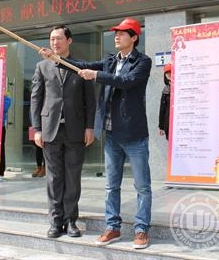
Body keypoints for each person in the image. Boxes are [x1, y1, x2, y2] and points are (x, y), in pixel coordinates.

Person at [40, 17, 152, 250]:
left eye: (122, 33)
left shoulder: (143, 62)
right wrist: (56, 59)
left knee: (142, 186)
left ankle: (141, 230)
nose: (116, 36)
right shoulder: (111, 60)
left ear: (134, 37)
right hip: (111, 135)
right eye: (115, 33)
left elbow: (127, 81)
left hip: (134, 135)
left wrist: (96, 75)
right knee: (111, 186)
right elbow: (83, 65)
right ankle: (112, 226)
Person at [31, 25, 96, 239]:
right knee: (53, 178)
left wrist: (89, 127)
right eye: (52, 39)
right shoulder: (42, 67)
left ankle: (71, 221)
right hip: (50, 130)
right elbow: (36, 99)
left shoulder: (80, 67)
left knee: (72, 177)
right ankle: (55, 221)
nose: (55, 42)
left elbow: (90, 101)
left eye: (59, 38)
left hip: (75, 130)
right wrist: (37, 129)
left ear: (69, 40)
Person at [0, 93, 12, 177]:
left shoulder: (6, 98)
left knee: (1, 149)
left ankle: (1, 170)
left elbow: (3, 108)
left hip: (0, 127)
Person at [158, 63, 171, 140]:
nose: (169, 74)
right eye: (167, 72)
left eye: (171, 71)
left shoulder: (181, 87)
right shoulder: (166, 89)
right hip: (168, 123)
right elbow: (162, 109)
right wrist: (161, 127)